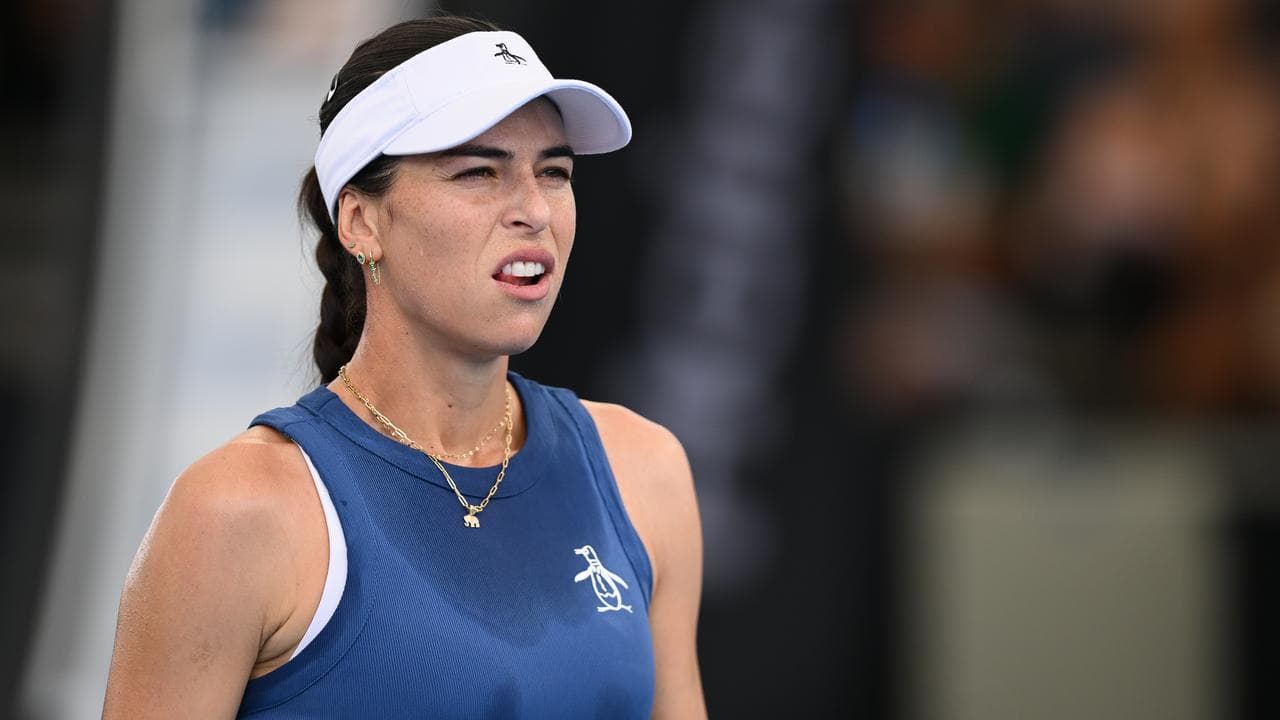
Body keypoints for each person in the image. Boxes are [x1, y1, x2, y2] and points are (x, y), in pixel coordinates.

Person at [102, 16, 705, 718]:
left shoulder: (644, 471)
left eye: (554, 171)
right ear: (361, 222)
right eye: (478, 172)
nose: (535, 210)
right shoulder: (237, 512)